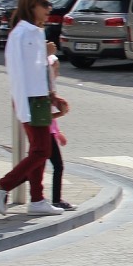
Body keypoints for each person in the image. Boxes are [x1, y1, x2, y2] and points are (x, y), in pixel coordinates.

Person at [0, 0, 70, 216]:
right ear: (31, 6)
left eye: (49, 5)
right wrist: (46, 55)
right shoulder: (24, 34)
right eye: (45, 5)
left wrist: (52, 95)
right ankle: (1, 186)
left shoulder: (32, 33)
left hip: (38, 99)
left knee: (38, 150)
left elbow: (38, 72)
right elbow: (22, 73)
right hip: (31, 100)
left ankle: (37, 199)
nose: (48, 9)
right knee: (41, 151)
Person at [45, 43, 76, 211]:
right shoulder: (47, 89)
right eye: (55, 70)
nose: (58, 73)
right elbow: (46, 116)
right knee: (57, 165)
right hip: (46, 131)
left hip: (49, 131)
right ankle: (56, 199)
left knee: (35, 166)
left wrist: (58, 132)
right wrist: (60, 115)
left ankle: (4, 188)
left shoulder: (50, 90)